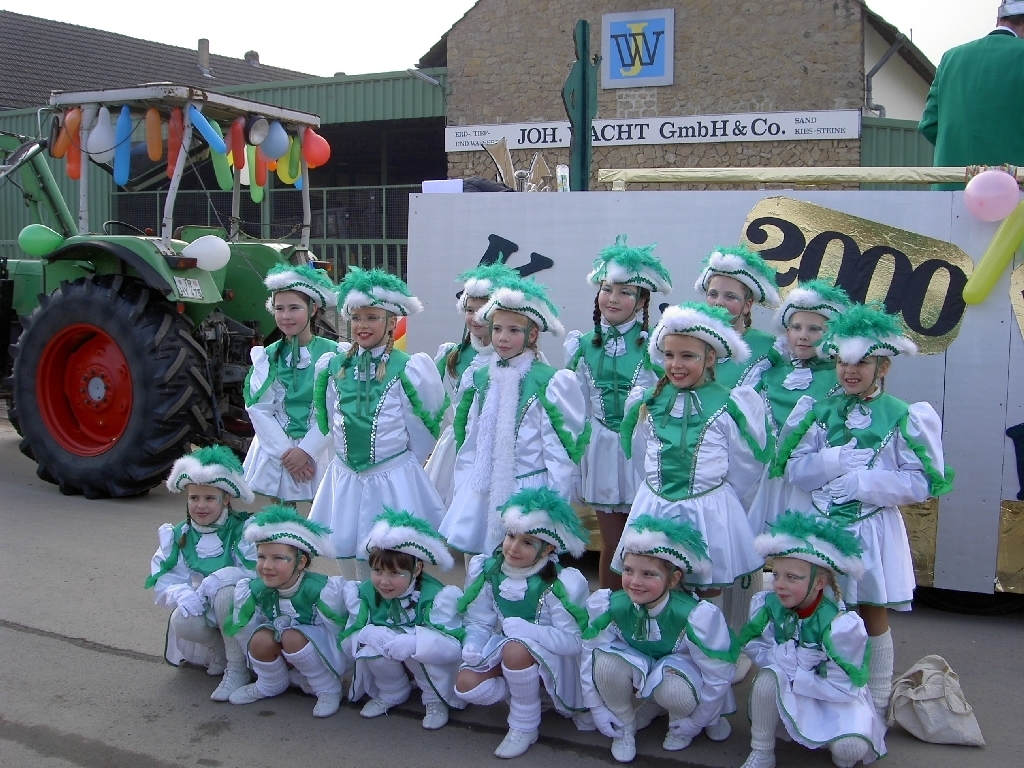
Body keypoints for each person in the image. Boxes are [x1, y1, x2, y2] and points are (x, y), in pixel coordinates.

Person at [774, 303, 953, 719]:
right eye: (842, 362)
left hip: (870, 528)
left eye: (861, 363)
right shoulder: (817, 411)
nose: (849, 371)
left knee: (872, 611)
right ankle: (818, 698)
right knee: (818, 610)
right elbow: (794, 470)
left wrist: (865, 483)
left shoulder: (903, 416)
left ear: (883, 366)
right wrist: (831, 462)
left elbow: (921, 483)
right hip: (821, 529)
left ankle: (876, 699)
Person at [613, 302, 769, 604]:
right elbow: (642, 452)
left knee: (707, 585)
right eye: (669, 355)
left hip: (708, 508)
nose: (676, 364)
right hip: (657, 504)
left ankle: (706, 631)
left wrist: (715, 498)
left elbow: (745, 462)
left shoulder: (730, 403)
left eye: (688, 356)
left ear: (709, 358)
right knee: (656, 577)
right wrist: (658, 489)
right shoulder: (651, 400)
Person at [309, 267, 447, 580]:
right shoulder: (334, 366)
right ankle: (354, 599)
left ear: (392, 322)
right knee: (344, 543)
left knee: (389, 554)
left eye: (372, 317)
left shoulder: (408, 368)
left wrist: (399, 463)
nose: (362, 325)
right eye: (356, 317)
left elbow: (423, 426)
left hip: (391, 477)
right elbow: (330, 418)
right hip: (346, 476)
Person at [440, 274, 589, 557]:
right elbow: (470, 440)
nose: (503, 337)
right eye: (497, 329)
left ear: (531, 335)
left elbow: (558, 453)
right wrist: (465, 486)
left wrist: (554, 503)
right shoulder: (480, 377)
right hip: (482, 490)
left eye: (513, 330)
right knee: (480, 563)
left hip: (528, 491)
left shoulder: (550, 382)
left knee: (524, 565)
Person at [736, 511, 886, 768]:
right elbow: (754, 645)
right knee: (767, 677)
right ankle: (761, 750)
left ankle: (831, 735)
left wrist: (802, 672)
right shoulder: (768, 605)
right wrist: (776, 656)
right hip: (793, 687)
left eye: (792, 577)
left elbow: (844, 686)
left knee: (850, 751)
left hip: (833, 698)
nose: (779, 584)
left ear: (819, 583)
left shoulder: (839, 626)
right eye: (776, 574)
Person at [582, 516, 735, 763]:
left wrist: (698, 721)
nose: (635, 582)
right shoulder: (610, 605)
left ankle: (679, 720)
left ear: (673, 580)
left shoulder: (695, 616)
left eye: (648, 574)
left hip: (681, 675)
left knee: (673, 689)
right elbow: (590, 654)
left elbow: (718, 674)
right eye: (628, 570)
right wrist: (596, 707)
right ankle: (624, 724)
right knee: (605, 663)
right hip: (644, 666)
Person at [565, 235, 671, 589]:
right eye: (607, 289)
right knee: (612, 543)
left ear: (642, 301)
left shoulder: (657, 344)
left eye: (625, 292)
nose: (613, 298)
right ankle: (609, 608)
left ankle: (647, 606)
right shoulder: (582, 345)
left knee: (646, 542)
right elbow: (575, 406)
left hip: (643, 450)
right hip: (601, 451)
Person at [454, 487, 591, 758]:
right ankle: (526, 691)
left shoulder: (561, 583)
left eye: (527, 542)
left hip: (555, 657)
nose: (513, 548)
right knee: (466, 684)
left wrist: (530, 632)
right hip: (509, 648)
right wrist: (474, 644)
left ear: (548, 548)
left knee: (515, 648)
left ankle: (524, 724)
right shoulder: (489, 570)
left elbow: (575, 642)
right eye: (511, 536)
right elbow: (479, 621)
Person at [339, 509, 466, 730]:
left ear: (417, 569)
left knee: (420, 651)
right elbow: (347, 635)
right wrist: (365, 633)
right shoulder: (363, 593)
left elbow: (454, 644)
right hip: (392, 659)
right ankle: (392, 691)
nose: (384, 581)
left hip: (425, 665)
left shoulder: (437, 597)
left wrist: (417, 642)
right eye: (377, 570)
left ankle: (435, 698)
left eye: (395, 573)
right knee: (372, 648)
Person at [147, 446, 256, 702]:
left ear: (226, 499)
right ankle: (222, 651)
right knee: (182, 619)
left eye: (210, 498)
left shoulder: (243, 530)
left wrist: (221, 578)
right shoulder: (180, 534)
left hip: (245, 606)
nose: (201, 505)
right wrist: (181, 592)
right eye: (194, 498)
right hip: (208, 604)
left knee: (225, 594)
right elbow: (165, 578)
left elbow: (256, 573)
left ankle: (238, 668)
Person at [222, 505, 350, 717]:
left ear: (300, 562)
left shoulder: (321, 589)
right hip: (285, 653)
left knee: (292, 636)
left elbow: (338, 630)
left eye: (278, 558)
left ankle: (327, 687)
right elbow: (245, 629)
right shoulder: (254, 589)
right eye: (261, 557)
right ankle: (271, 682)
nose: (267, 566)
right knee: (259, 638)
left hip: (319, 652)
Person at [748, 281, 851, 535]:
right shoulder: (769, 376)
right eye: (796, 327)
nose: (803, 335)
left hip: (812, 484)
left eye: (814, 329)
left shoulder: (839, 380)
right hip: (767, 483)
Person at [242, 263, 339, 503]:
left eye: (294, 308)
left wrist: (307, 451)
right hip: (276, 451)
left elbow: (337, 408)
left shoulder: (334, 354)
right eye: (279, 308)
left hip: (321, 450)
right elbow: (259, 409)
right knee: (281, 516)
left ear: (312, 309)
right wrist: (286, 454)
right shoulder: (267, 356)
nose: (285, 316)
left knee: (324, 514)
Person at [426, 261, 519, 506]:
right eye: (469, 310)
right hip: (456, 449)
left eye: (484, 310)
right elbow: (430, 406)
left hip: (500, 451)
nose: (476, 317)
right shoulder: (451, 355)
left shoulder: (517, 359)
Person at [919, 1, 1024, 190]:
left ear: (999, 19)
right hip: (1013, 191)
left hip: (951, 189)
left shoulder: (951, 57)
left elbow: (929, 124)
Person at [695, 245, 780, 390]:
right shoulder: (691, 340)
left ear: (747, 305)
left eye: (730, 296)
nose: (719, 302)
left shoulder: (768, 347)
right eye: (713, 294)